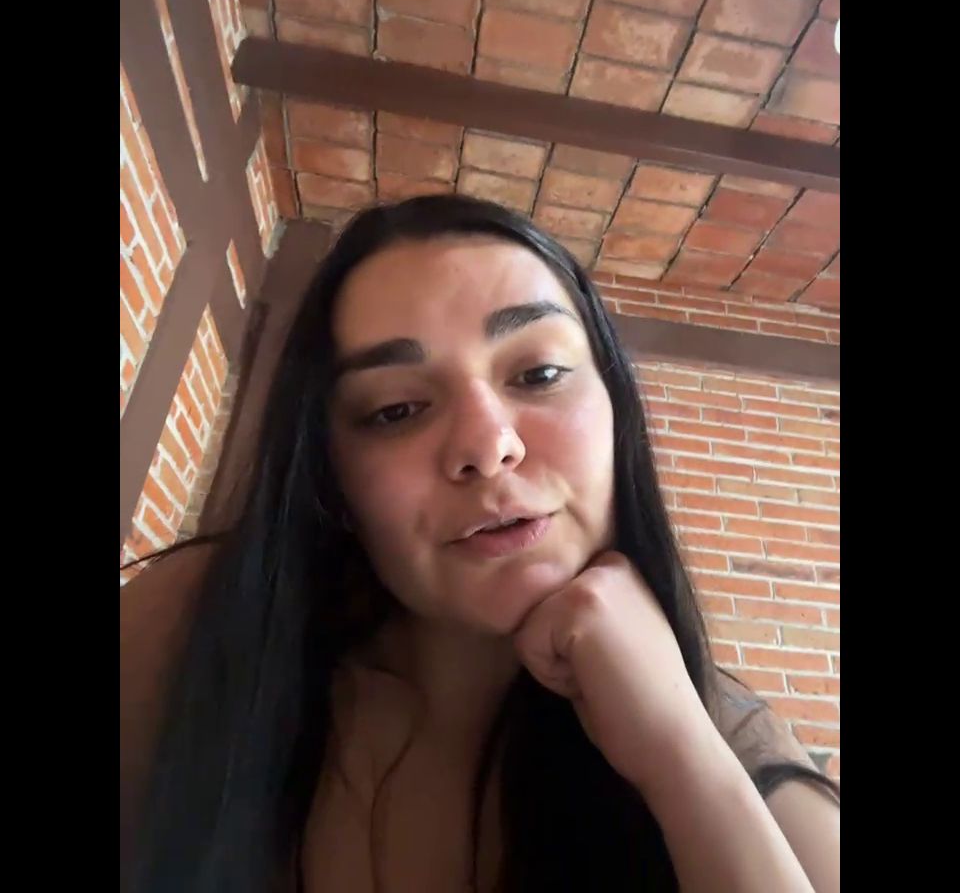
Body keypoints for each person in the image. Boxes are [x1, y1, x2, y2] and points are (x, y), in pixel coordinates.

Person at [121, 195, 840, 892]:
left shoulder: (736, 747)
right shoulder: (195, 628)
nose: (488, 446)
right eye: (396, 409)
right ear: (330, 473)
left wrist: (682, 759)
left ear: (618, 409)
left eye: (540, 374)